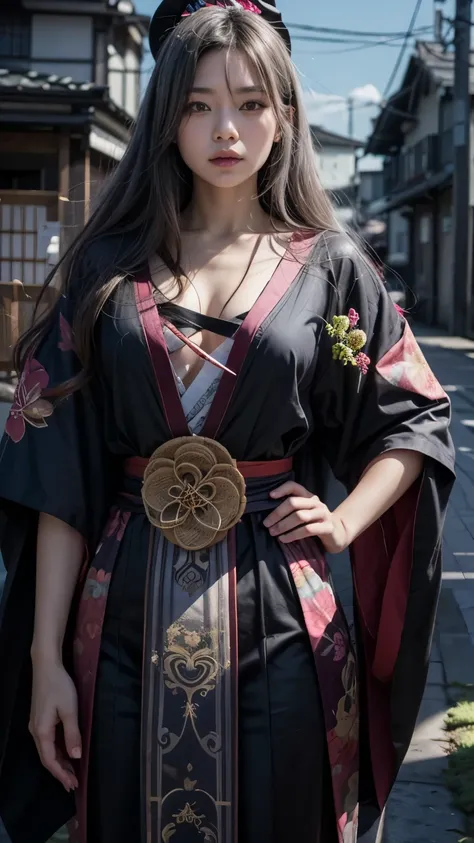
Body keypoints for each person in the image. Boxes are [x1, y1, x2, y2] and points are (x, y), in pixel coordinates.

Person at [0, 2, 455, 843]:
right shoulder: (106, 265)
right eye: (198, 103)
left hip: (286, 608)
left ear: (284, 117)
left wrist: (346, 519)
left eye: (251, 103)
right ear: (165, 115)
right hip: (118, 611)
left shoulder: (332, 266)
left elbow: (416, 417)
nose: (226, 128)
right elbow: (55, 472)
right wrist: (44, 663)